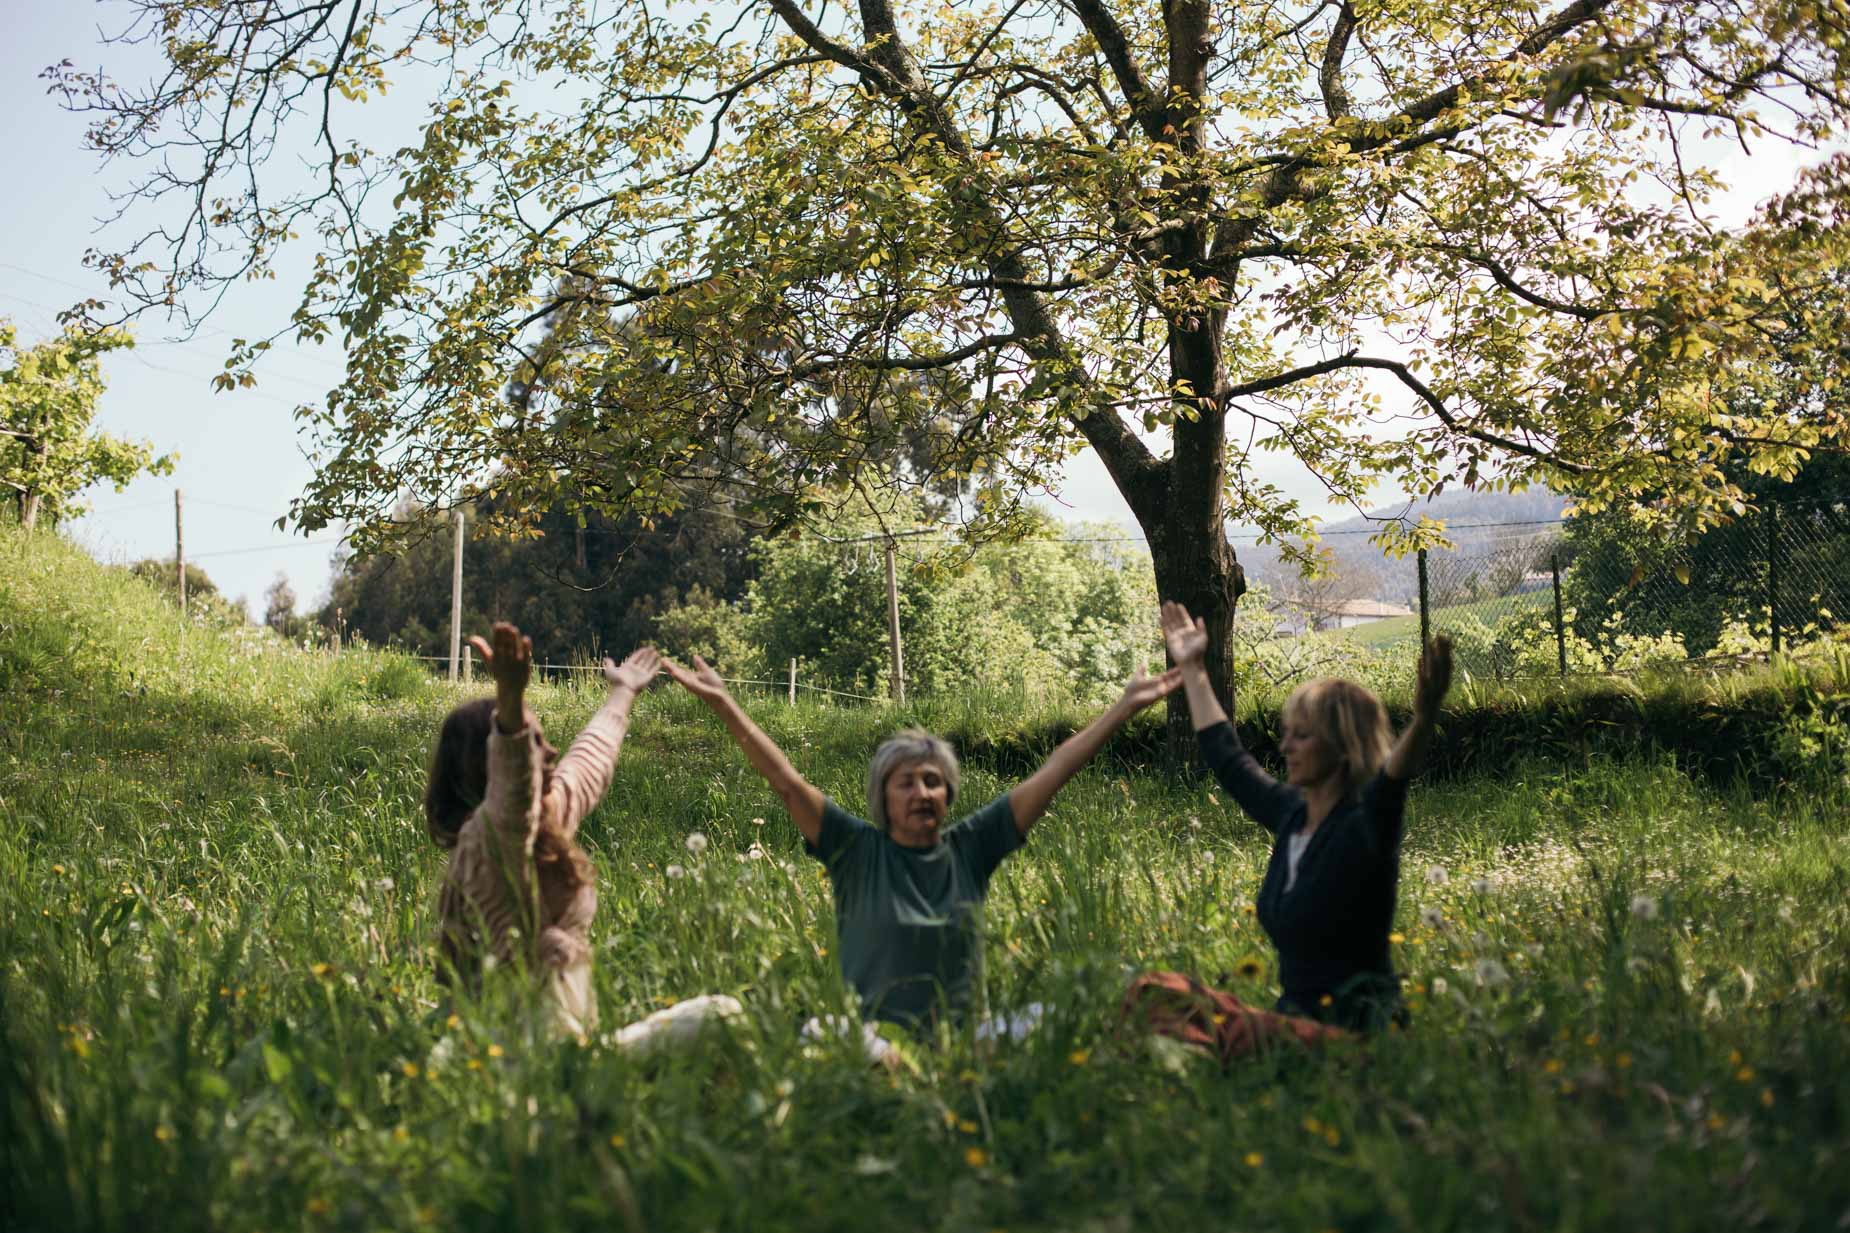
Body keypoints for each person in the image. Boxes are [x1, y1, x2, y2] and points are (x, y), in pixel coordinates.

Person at [664, 653, 1180, 1044]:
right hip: (869, 1040)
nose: (922, 793)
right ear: (882, 798)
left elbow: (1054, 772)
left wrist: (1124, 707)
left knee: (1085, 1004)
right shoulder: (854, 848)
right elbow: (785, 781)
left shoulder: (972, 848)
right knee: (816, 1033)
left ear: (949, 793)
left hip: (965, 1042)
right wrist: (723, 703)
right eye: (906, 783)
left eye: (933, 781)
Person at [1122, 602, 1454, 1057]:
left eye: (1302, 735)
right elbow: (1229, 759)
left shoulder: (1364, 826)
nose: (1286, 746)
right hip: (1293, 1025)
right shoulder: (1292, 816)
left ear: (1342, 746)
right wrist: (1194, 668)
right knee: (1153, 994)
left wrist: (1425, 717)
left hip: (1357, 1038)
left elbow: (1392, 781)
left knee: (1188, 1024)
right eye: (1287, 732)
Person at [424, 620, 660, 1037]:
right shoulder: (489, 839)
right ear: (494, 763)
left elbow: (589, 762)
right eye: (535, 741)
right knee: (720, 1015)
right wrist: (511, 705)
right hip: (515, 1064)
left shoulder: (544, 819)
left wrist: (623, 691)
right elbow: (511, 794)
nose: (550, 749)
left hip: (567, 1052)